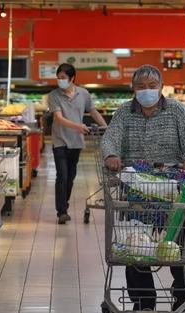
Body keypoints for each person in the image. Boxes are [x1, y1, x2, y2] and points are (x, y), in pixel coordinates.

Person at [101, 64, 185, 312]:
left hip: (173, 188)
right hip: (136, 189)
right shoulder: (124, 113)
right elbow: (110, 137)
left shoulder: (176, 111)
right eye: (141, 87)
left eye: (152, 86)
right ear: (133, 89)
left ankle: (183, 295)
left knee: (180, 246)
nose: (146, 91)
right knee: (135, 246)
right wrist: (112, 154)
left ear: (161, 88)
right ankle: (143, 301)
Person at [48, 63, 107, 224]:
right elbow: (58, 119)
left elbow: (92, 111)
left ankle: (64, 205)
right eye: (58, 78)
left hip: (76, 142)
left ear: (72, 78)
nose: (60, 81)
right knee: (62, 175)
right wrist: (78, 126)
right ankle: (62, 212)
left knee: (71, 177)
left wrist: (106, 127)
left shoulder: (84, 93)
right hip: (60, 140)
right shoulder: (54, 95)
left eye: (63, 78)